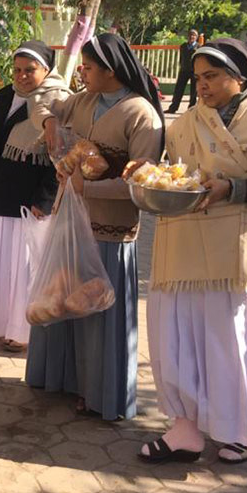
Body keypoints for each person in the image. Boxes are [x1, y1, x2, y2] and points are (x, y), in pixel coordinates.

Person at [140, 39, 247, 464]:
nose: (203, 86)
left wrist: (233, 187)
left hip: (235, 252)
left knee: (228, 341)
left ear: (241, 76)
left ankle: (239, 429)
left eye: (213, 76)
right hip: (182, 245)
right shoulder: (187, 122)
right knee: (176, 336)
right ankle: (185, 430)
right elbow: (176, 170)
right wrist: (145, 173)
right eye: (198, 78)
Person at [25, 33, 165, 421]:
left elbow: (143, 182)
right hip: (70, 220)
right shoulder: (82, 101)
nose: (82, 73)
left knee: (98, 310)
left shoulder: (142, 115)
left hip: (110, 229)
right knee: (60, 299)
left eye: (88, 67)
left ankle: (100, 392)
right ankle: (62, 380)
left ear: (111, 70)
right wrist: (52, 121)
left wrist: (91, 186)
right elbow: (39, 101)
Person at [0, 42, 70, 351]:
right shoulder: (5, 96)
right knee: (3, 265)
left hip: (31, 199)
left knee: (26, 267)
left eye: (30, 70)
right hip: (1, 192)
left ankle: (23, 331)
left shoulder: (57, 103)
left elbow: (61, 157)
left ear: (47, 70)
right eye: (17, 70)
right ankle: (0, 324)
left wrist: (45, 198)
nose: (23, 76)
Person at [165, 29, 199, 114]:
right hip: (184, 70)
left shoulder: (199, 47)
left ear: (196, 37)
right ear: (188, 36)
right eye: (190, 35)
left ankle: (192, 109)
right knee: (178, 89)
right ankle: (173, 108)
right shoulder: (183, 46)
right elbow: (181, 58)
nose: (192, 37)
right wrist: (181, 66)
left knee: (193, 91)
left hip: (194, 71)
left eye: (194, 35)